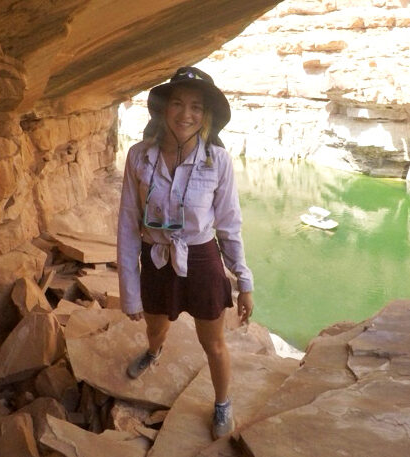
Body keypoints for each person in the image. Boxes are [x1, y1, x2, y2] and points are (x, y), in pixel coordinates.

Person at [117, 66, 254, 439]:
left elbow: (228, 224)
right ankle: (154, 351)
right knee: (155, 326)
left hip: (201, 258)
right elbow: (129, 227)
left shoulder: (218, 161)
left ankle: (223, 402)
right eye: (177, 103)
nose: (186, 114)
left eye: (196, 106)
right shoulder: (139, 157)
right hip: (157, 258)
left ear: (206, 115)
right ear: (164, 109)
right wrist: (129, 292)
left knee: (213, 342)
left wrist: (244, 280)